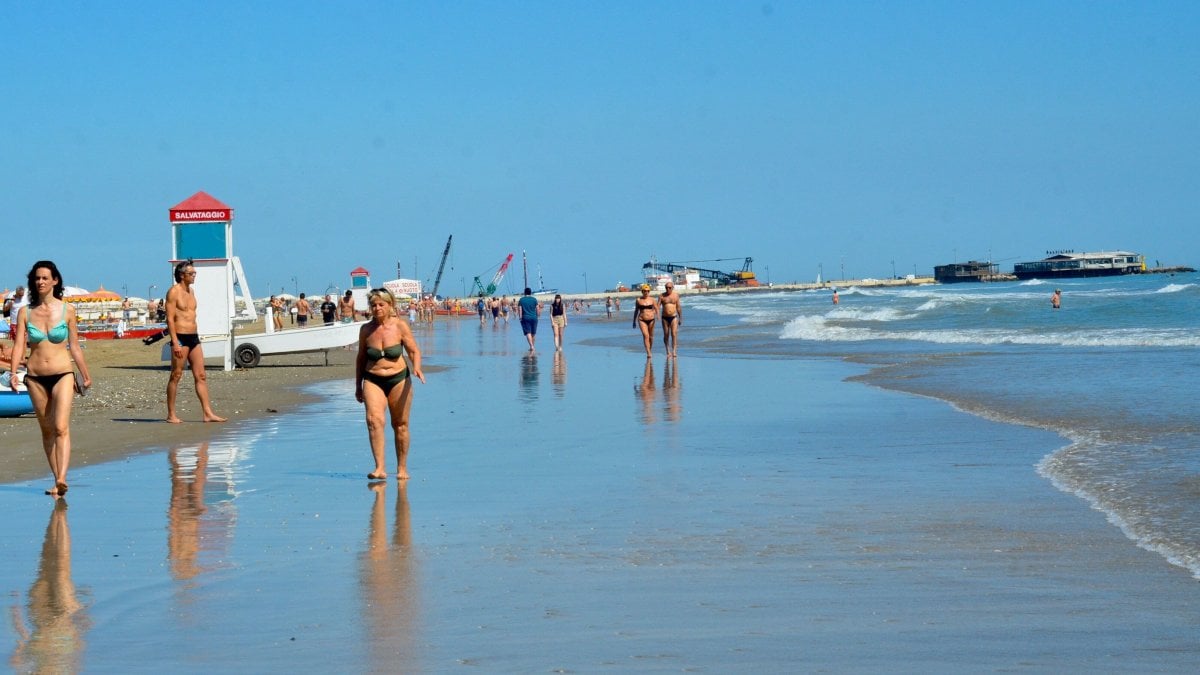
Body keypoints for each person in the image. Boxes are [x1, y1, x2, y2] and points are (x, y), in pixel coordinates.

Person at [8, 261, 92, 497]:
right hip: (34, 377)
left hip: (63, 373)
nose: (41, 282)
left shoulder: (68, 311)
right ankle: (56, 480)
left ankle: (63, 477)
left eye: (45, 278)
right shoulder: (26, 312)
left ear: (55, 280)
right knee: (46, 430)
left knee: (60, 427)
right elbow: (18, 346)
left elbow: (75, 347)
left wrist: (85, 374)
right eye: (37, 278)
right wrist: (14, 372)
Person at [356, 288, 425, 480]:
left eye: (381, 304)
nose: (376, 308)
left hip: (399, 379)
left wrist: (417, 367)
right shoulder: (366, 330)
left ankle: (402, 468)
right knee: (374, 421)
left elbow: (413, 351)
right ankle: (379, 468)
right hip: (372, 379)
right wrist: (357, 385)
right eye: (373, 305)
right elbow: (361, 357)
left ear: (390, 305)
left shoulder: (400, 326)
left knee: (400, 425)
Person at [165, 260, 227, 424]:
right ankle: (171, 414)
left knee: (201, 375)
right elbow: (170, 320)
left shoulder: (191, 291)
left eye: (195, 274)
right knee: (176, 375)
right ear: (181, 275)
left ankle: (208, 413)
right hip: (180, 337)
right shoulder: (173, 292)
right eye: (191, 274)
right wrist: (175, 342)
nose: (194, 276)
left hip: (193, 337)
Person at [632, 284, 657, 359]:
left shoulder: (652, 299)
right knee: (646, 336)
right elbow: (636, 310)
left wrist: (656, 314)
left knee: (651, 337)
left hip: (651, 320)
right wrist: (634, 321)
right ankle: (648, 352)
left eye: (647, 291)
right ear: (642, 291)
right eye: (644, 291)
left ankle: (649, 349)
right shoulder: (638, 300)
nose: (646, 292)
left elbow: (656, 308)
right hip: (642, 320)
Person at [659, 281, 682, 358]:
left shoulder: (676, 296)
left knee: (674, 334)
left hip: (673, 317)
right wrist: (655, 314)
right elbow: (657, 306)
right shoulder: (662, 296)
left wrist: (680, 317)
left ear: (672, 288)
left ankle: (674, 351)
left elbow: (678, 307)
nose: (668, 289)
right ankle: (668, 351)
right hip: (664, 318)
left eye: (669, 287)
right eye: (666, 287)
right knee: (666, 334)